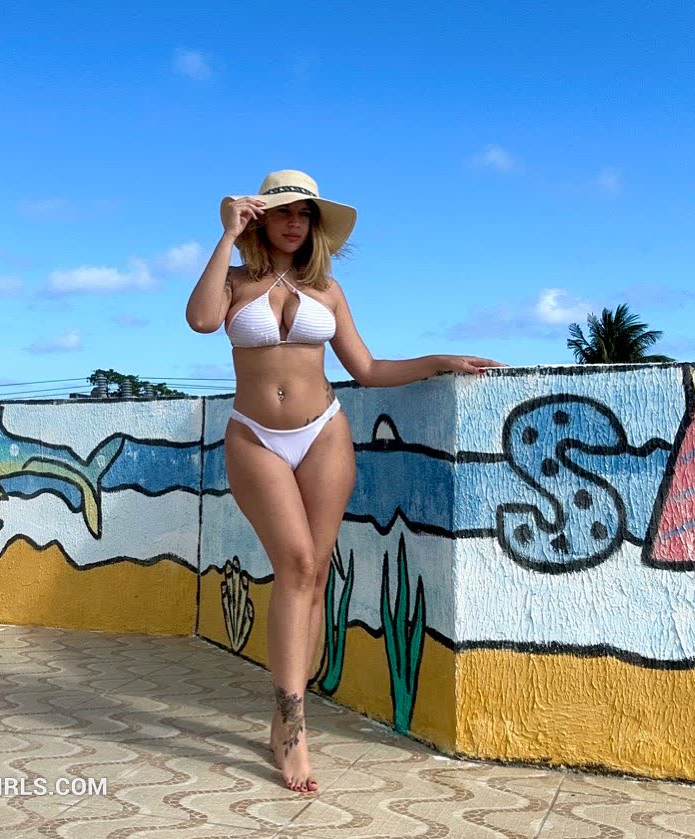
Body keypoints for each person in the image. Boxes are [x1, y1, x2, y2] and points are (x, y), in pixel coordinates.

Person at [186, 169, 505, 792]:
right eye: (283, 212)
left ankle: (289, 718)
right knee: (296, 563)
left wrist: (441, 360)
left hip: (323, 432)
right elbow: (200, 321)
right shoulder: (233, 281)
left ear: (315, 226)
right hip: (255, 435)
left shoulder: (327, 290)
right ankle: (292, 725)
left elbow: (367, 368)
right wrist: (226, 235)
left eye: (304, 214)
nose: (294, 222)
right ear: (259, 219)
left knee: (315, 572)